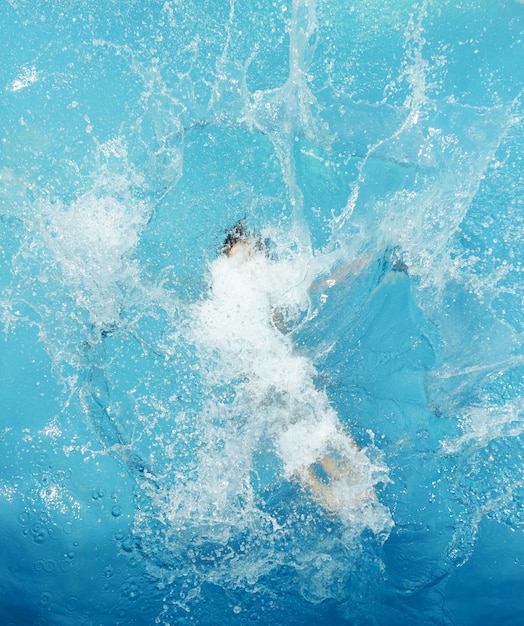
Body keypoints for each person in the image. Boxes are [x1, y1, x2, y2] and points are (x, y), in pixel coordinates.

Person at [194, 220, 388, 528]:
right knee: (284, 423)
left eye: (253, 260)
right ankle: (323, 493)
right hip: (257, 380)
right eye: (240, 262)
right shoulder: (223, 304)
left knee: (313, 408)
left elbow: (327, 282)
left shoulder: (276, 289)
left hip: (286, 366)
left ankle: (358, 476)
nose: (248, 270)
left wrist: (370, 260)